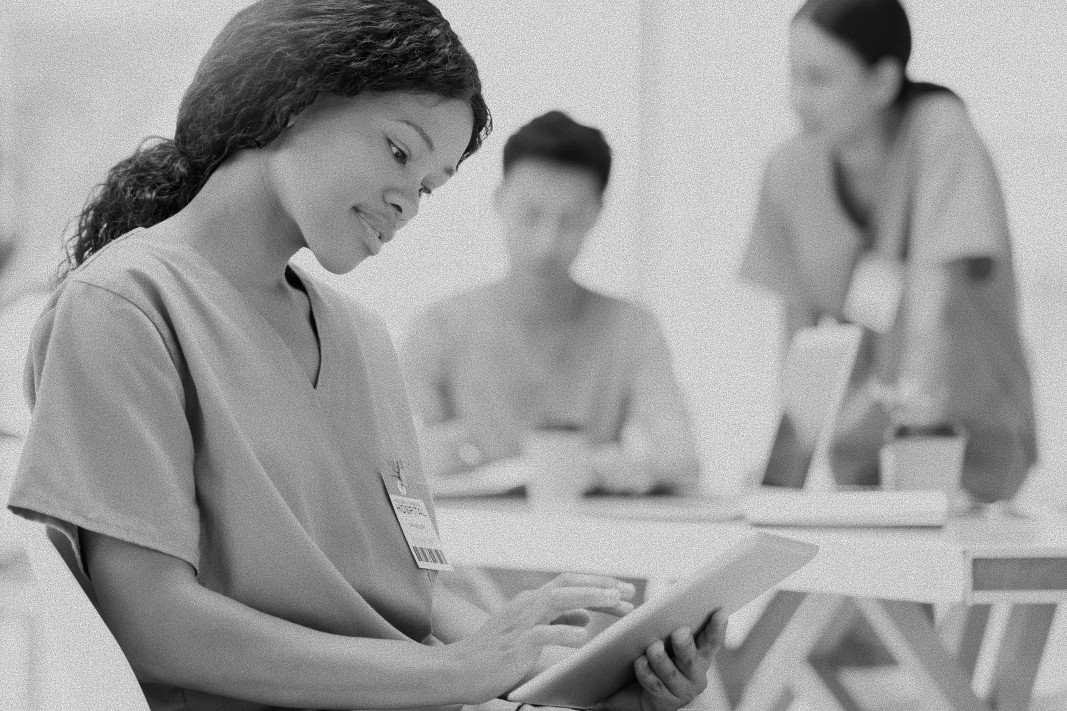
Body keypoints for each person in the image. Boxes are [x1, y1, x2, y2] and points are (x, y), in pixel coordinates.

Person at [4, 2, 724, 709]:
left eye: (426, 187)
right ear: (292, 98)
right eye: (400, 151)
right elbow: (154, 622)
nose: (407, 203)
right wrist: (457, 674)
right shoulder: (125, 306)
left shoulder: (363, 338)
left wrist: (570, 676)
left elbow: (419, 590)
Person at [739, 0, 1037, 504]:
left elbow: (932, 310)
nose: (797, 99)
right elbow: (800, 342)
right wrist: (779, 490)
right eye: (793, 76)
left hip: (966, 457)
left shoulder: (941, 133)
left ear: (882, 81)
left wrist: (917, 436)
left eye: (819, 79)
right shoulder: (788, 171)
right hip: (858, 466)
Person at [404, 111, 700, 497]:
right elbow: (396, 457)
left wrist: (624, 468)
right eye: (531, 215)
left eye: (570, 221)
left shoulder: (632, 327)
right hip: (471, 538)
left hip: (590, 536)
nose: (547, 243)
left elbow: (682, 460)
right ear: (499, 200)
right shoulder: (439, 326)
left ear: (597, 215)